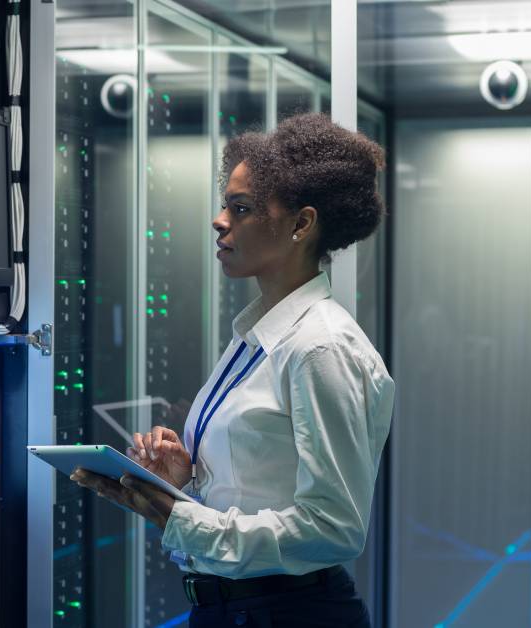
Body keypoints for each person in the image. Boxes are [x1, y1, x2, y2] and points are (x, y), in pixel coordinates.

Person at [71, 113, 394, 627]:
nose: (219, 221)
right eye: (226, 204)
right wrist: (183, 484)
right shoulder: (258, 336)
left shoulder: (320, 348)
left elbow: (334, 529)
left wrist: (181, 518)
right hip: (234, 609)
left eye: (240, 209)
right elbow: (253, 493)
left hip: (290, 614)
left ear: (301, 224)